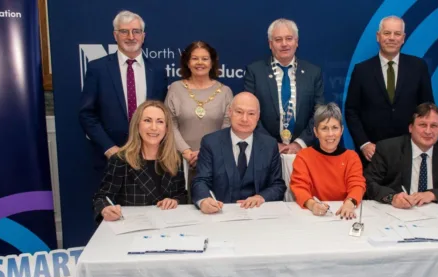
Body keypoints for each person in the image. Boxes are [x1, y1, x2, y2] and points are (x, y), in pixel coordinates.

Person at [79, 10, 167, 176]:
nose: (131, 37)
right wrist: (109, 149)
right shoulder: (97, 69)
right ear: (115, 35)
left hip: (150, 157)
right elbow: (87, 114)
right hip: (110, 158)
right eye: (124, 31)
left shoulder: (157, 70)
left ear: (143, 35)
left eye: (136, 31)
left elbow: (162, 113)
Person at [345, 15, 434, 165]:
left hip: (410, 151)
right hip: (372, 153)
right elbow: (351, 111)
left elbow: (427, 108)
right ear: (378, 36)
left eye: (397, 34)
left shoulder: (418, 67)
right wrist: (364, 144)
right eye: (387, 33)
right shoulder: (361, 70)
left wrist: (419, 141)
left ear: (403, 38)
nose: (392, 38)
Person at [191, 92, 286, 213]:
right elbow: (200, 181)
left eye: (251, 114)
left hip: (257, 214)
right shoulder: (210, 142)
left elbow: (277, 185)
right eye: (239, 112)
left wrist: (261, 197)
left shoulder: (269, 144)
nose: (244, 119)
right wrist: (204, 200)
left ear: (258, 116)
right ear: (230, 112)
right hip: (220, 213)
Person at [93, 100, 186, 222]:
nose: (154, 127)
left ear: (167, 128)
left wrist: (175, 201)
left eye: (160, 122)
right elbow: (102, 197)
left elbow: (182, 194)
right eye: (147, 120)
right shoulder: (120, 159)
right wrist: (106, 209)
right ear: (137, 125)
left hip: (167, 227)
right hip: (131, 227)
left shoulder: (175, 158)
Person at [244, 18, 324, 154]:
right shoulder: (255, 72)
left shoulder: (313, 72)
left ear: (296, 42)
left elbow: (319, 113)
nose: (284, 44)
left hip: (304, 152)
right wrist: (272, 144)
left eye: (289, 38)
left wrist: (300, 143)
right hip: (265, 151)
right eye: (278, 40)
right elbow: (249, 113)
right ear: (270, 44)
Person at [364, 102, 438, 208]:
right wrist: (392, 198)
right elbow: (368, 183)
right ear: (411, 128)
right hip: (397, 212)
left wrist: (432, 195)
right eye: (422, 125)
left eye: (434, 126)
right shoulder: (389, 149)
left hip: (434, 214)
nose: (428, 131)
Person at [290, 103, 366, 219]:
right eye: (324, 128)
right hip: (313, 216)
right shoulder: (303, 156)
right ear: (316, 132)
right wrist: (313, 205)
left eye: (335, 128)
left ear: (341, 130)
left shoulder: (352, 157)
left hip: (344, 214)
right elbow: (299, 187)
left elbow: (357, 185)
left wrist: (350, 203)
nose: (330, 134)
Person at [166, 41, 233, 169]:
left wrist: (206, 154)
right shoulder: (175, 88)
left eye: (205, 59)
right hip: (180, 160)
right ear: (187, 62)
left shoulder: (225, 91)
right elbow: (170, 124)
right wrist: (186, 152)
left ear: (212, 62)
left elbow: (227, 127)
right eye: (195, 58)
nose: (200, 63)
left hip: (216, 160)